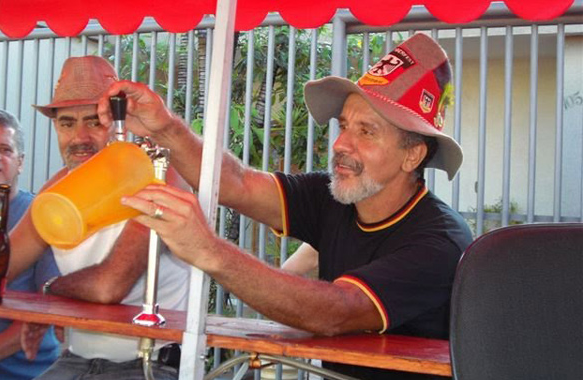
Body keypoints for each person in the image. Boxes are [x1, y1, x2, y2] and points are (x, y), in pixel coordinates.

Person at [100, 33, 473, 379]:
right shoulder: (336, 196)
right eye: (344, 126)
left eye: (366, 132)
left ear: (413, 156)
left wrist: (209, 251)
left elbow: (335, 311)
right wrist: (165, 127)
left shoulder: (440, 239)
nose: (341, 144)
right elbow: (238, 183)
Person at [7, 56, 190, 380]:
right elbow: (2, 261)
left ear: (119, 123)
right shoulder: (58, 186)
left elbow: (109, 286)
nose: (79, 137)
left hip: (148, 363)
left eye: (93, 121)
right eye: (66, 123)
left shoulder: (156, 176)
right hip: (75, 359)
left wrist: (49, 294)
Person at [0, 110, 61, 380]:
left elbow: (47, 307)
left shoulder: (41, 216)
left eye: (5, 149)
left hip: (26, 371)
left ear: (21, 162)